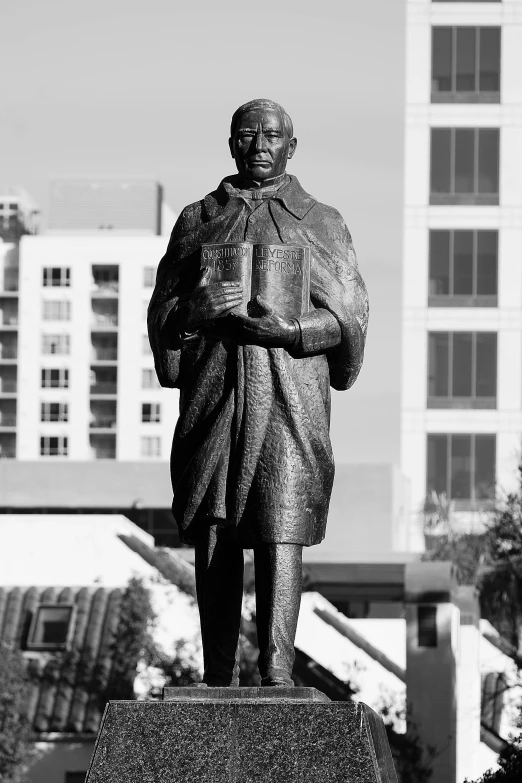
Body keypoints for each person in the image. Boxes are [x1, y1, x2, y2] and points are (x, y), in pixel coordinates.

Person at [148, 98, 369, 687]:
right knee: (215, 528)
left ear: (291, 146)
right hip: (215, 400)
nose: (259, 145)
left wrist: (292, 330)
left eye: (272, 135)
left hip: (290, 401)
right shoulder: (199, 220)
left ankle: (277, 670)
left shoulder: (319, 221)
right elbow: (162, 315)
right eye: (247, 135)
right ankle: (217, 673)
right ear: (231, 143)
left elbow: (350, 320)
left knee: (280, 525)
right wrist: (191, 311)